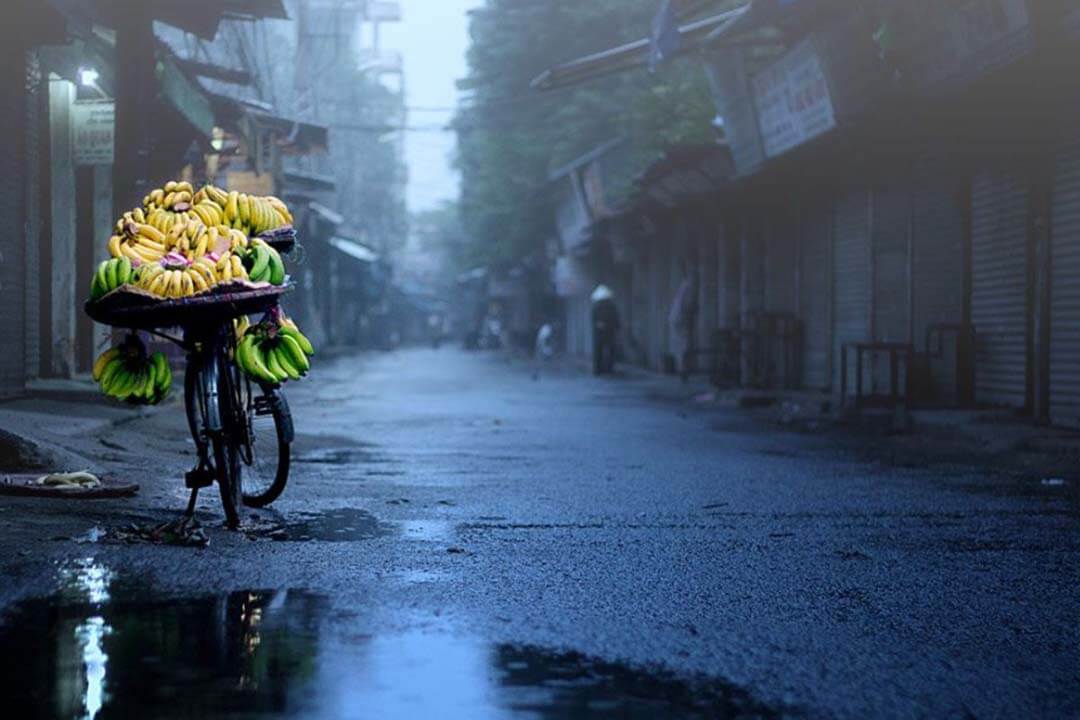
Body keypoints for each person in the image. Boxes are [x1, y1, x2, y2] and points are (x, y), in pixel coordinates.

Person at [669, 268, 698, 382]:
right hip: (681, 319)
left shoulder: (684, 285)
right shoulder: (689, 285)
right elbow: (688, 305)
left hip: (678, 318)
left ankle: (682, 369)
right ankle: (683, 370)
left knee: (681, 345)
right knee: (684, 344)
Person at [590, 285, 620, 375]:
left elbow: (593, 320)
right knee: (609, 350)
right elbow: (616, 319)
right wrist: (617, 328)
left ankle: (599, 369)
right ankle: (608, 369)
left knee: (599, 350)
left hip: (600, 332)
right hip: (608, 331)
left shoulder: (596, 307)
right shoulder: (611, 306)